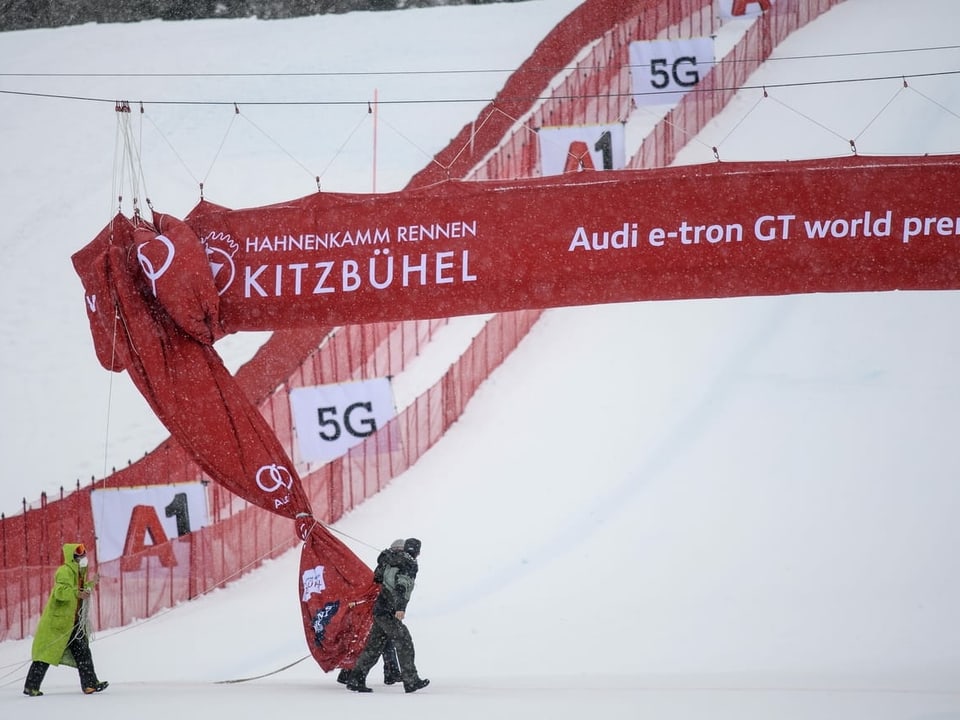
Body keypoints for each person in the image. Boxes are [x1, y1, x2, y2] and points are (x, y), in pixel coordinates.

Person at [344, 537, 429, 694]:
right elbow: (402, 586)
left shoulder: (391, 560)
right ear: (418, 551)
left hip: (381, 609)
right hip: (389, 612)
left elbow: (377, 577)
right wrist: (400, 607)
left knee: (374, 647)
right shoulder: (409, 564)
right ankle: (411, 680)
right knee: (404, 641)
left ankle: (356, 678)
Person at [23, 543, 109, 697]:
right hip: (58, 624)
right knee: (46, 655)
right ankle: (31, 686)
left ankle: (90, 684)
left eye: (83, 555)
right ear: (72, 557)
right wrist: (77, 593)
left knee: (83, 651)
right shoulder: (64, 571)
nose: (83, 558)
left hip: (73, 623)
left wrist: (91, 584)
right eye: (80, 556)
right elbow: (61, 593)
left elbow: (79, 590)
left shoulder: (79, 572)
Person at [336, 539, 404, 686]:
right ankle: (353, 672)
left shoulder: (386, 563)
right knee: (375, 641)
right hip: (381, 608)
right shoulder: (392, 565)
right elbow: (385, 587)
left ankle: (388, 671)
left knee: (380, 641)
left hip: (380, 607)